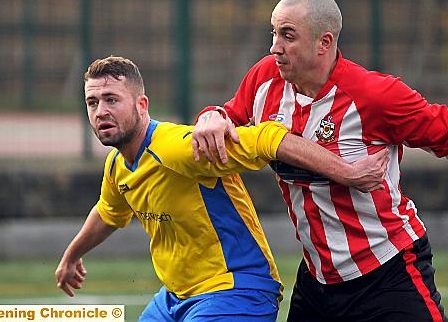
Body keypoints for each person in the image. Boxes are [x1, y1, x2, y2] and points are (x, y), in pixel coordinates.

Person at [55, 56, 388, 322]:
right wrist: (72, 256)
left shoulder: (177, 149)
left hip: (236, 290)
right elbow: (109, 211)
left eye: (112, 100)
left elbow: (267, 138)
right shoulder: (117, 166)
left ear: (142, 105)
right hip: (177, 298)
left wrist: (348, 172)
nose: (101, 111)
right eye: (93, 102)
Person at [192, 0, 448, 322]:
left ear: (324, 43)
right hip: (318, 280)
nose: (275, 47)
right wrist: (210, 116)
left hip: (389, 271)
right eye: (273, 33)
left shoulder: (375, 95)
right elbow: (226, 117)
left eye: (288, 36)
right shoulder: (264, 80)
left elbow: (446, 134)